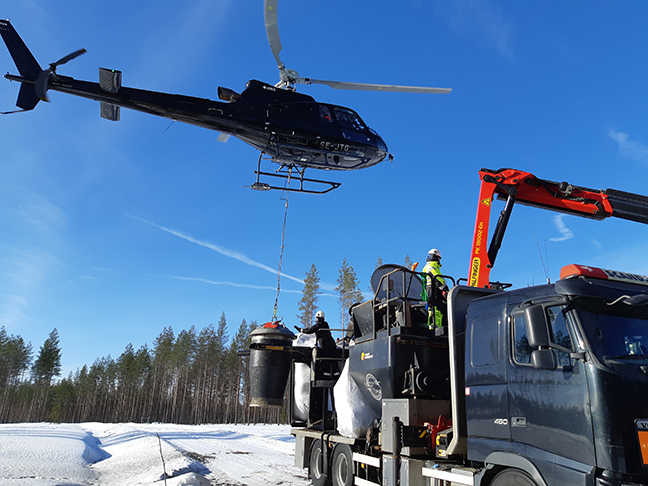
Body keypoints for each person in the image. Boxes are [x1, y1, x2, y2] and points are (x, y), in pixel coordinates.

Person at [422, 248, 448, 328]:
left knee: (436, 310)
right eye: (439, 258)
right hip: (432, 291)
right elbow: (438, 279)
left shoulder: (429, 266)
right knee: (436, 310)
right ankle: (436, 328)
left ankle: (436, 326)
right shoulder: (431, 267)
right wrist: (445, 289)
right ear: (435, 257)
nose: (439, 260)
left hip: (432, 290)